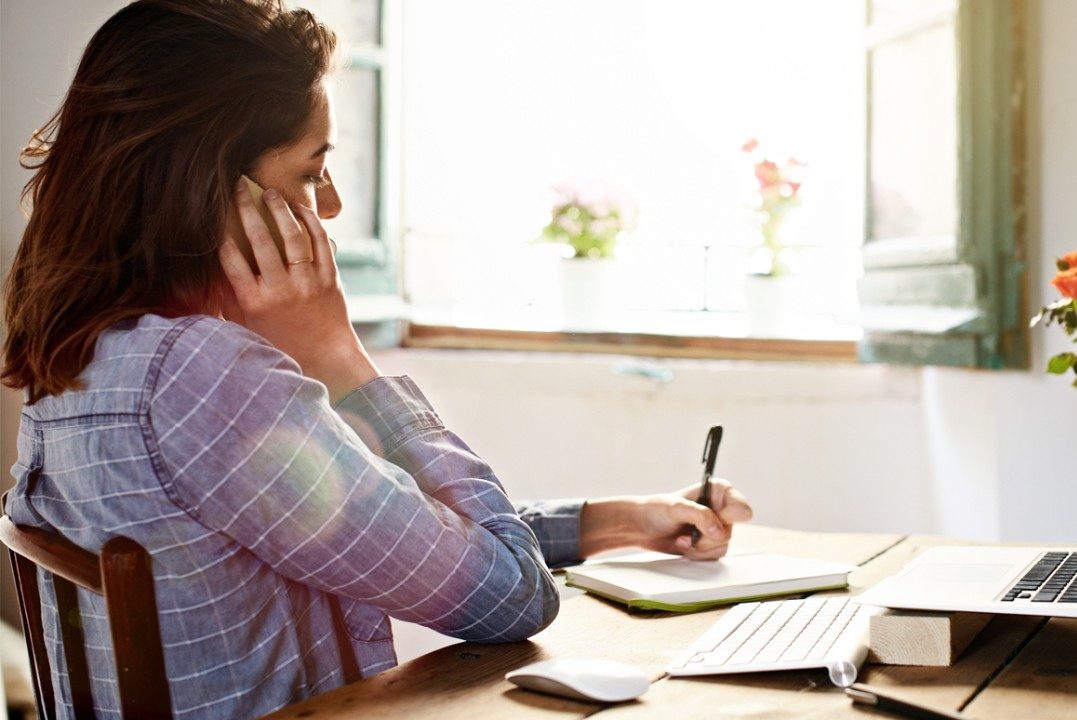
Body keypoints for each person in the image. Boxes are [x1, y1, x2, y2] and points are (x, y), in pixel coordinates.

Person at [0, 1, 753, 718]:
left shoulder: (89, 360)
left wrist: (616, 521)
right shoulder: (207, 378)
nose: (326, 206)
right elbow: (513, 596)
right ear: (209, 187)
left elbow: (384, 520)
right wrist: (340, 358)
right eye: (308, 170)